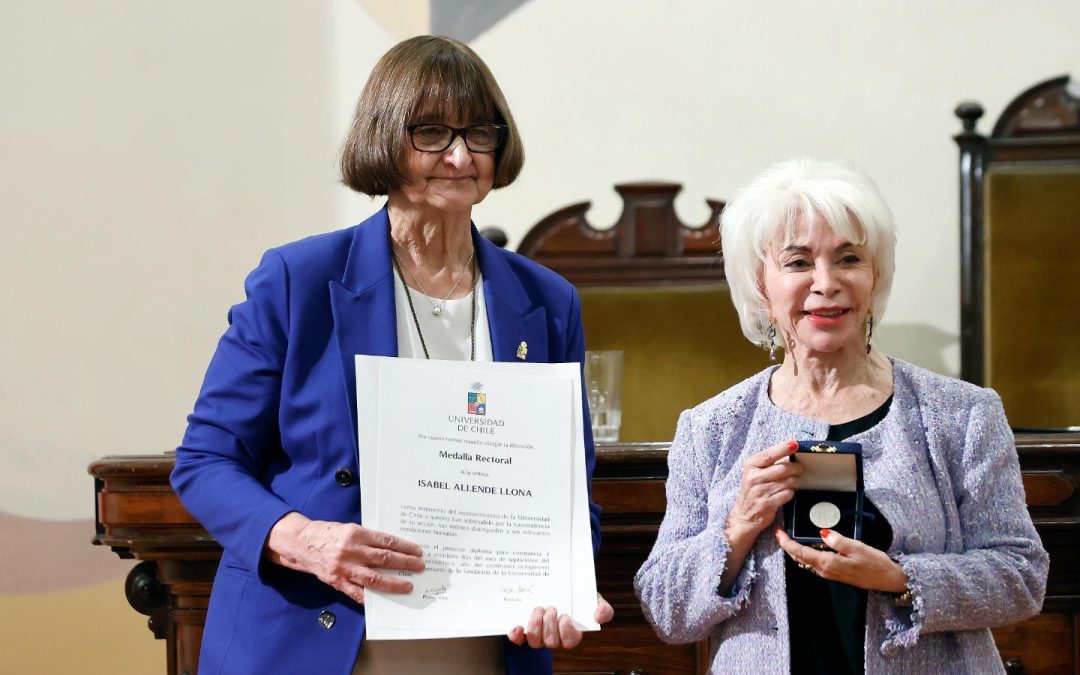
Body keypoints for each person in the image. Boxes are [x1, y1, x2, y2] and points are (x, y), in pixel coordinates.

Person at [171, 35, 612, 675]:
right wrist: (306, 539)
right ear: (384, 138)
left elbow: (570, 491)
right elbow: (206, 461)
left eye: (479, 133)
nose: (460, 155)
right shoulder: (299, 280)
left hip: (485, 648)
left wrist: (563, 584)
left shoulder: (547, 301)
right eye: (431, 133)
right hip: (313, 638)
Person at [634, 158, 1047, 673]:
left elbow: (1021, 576)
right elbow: (666, 610)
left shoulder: (962, 414)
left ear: (875, 276)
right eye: (797, 262)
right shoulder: (711, 429)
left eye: (848, 258)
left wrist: (898, 579)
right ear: (761, 283)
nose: (825, 282)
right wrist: (736, 528)